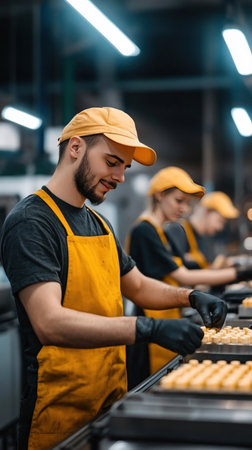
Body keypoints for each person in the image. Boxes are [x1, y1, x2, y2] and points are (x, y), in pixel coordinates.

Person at [0, 108, 227, 450]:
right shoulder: (32, 222)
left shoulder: (98, 223)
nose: (120, 177)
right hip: (60, 415)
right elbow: (50, 322)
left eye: (124, 167)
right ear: (75, 147)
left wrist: (191, 296)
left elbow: (136, 285)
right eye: (112, 162)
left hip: (109, 402)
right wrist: (148, 329)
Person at [126, 166, 252, 382]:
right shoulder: (144, 231)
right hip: (150, 325)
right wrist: (239, 273)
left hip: (167, 316)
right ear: (159, 195)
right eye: (178, 200)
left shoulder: (160, 231)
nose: (184, 209)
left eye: (187, 203)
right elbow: (183, 276)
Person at [177, 191, 240, 269]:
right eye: (220, 221)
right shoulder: (180, 231)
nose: (220, 227)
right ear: (208, 212)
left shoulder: (206, 239)